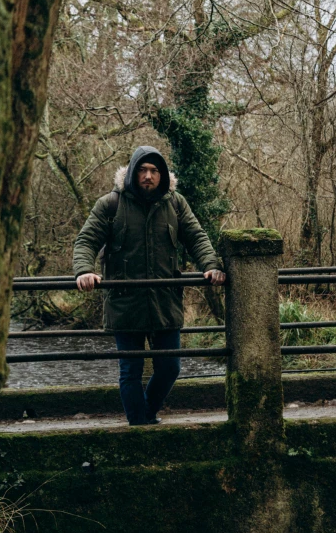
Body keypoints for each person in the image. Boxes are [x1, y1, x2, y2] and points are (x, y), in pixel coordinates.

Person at [73, 146, 226, 426]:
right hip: (125, 303)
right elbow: (86, 241)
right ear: (132, 172)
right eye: (142, 170)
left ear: (163, 175)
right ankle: (140, 426)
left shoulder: (176, 203)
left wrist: (211, 265)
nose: (148, 176)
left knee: (170, 367)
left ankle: (145, 415)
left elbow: (197, 237)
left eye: (154, 171)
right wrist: (84, 270)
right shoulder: (110, 204)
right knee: (130, 370)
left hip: (164, 301)